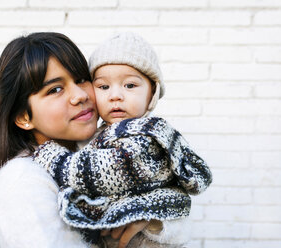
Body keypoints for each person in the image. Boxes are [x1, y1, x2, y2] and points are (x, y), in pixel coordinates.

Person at [0, 32, 155, 248]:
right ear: (23, 116)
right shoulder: (23, 180)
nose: (80, 95)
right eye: (55, 89)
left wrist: (154, 220)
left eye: (80, 79)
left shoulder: (104, 156)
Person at [33, 32, 213, 247]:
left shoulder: (145, 137)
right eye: (103, 86)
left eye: (129, 86)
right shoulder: (97, 135)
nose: (115, 95)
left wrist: (52, 155)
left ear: (151, 94)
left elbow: (101, 171)